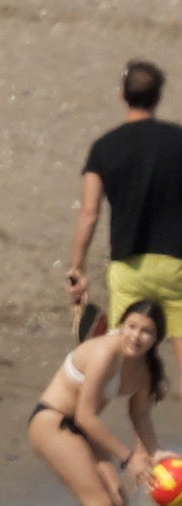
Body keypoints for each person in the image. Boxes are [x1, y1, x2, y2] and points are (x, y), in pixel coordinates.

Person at [11, 300, 169, 506]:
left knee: (117, 505)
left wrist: (155, 453)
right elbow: (85, 415)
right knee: (99, 504)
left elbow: (140, 415)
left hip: (82, 429)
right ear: (122, 325)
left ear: (156, 338)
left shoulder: (143, 369)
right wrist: (128, 458)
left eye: (146, 331)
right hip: (53, 422)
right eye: (132, 326)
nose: (136, 336)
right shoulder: (105, 352)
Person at [73, 57, 182, 335]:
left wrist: (78, 268)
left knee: (126, 348)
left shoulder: (104, 147)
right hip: (176, 265)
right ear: (158, 97)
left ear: (122, 95)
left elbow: (89, 214)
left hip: (128, 265)